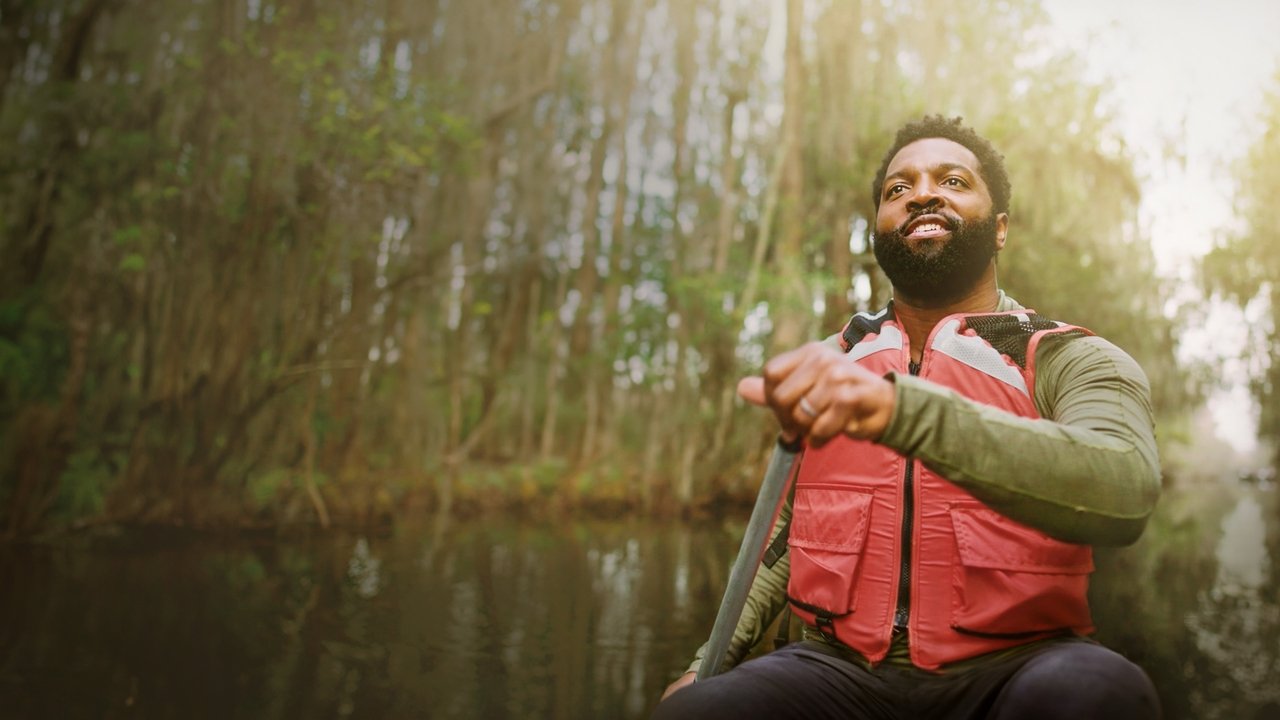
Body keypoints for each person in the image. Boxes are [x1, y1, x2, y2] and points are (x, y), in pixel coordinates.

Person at [652, 115, 1163, 720]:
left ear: (999, 229)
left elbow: (1124, 488)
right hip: (833, 668)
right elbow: (787, 537)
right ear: (878, 230)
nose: (922, 194)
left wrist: (904, 411)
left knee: (1101, 695)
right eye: (899, 189)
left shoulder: (1069, 358)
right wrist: (704, 664)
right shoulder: (833, 362)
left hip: (1021, 664)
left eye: (952, 181)